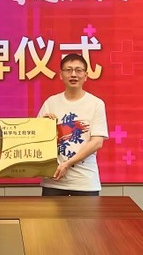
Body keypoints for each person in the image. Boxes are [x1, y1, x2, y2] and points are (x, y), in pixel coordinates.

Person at [38, 53, 109, 196]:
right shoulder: (50, 103)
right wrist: (44, 126)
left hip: (84, 182)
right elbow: (37, 139)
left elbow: (97, 142)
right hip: (53, 181)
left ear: (86, 75)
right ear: (61, 75)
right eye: (68, 70)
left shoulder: (96, 104)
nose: (73, 74)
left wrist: (67, 163)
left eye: (78, 70)